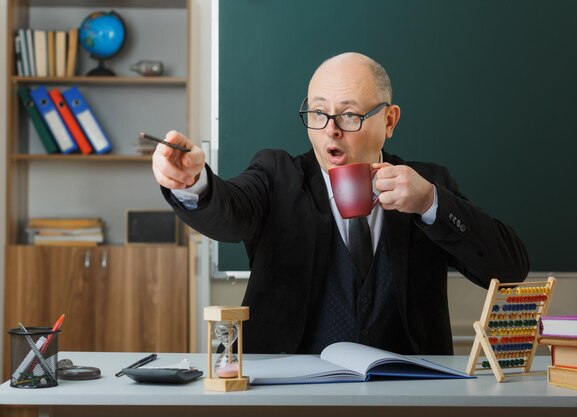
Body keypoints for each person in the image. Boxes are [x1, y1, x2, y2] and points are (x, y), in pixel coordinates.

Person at [152, 52, 529, 355]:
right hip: (291, 390)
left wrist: (431, 202)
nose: (331, 128)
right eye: (318, 112)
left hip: (406, 393)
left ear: (390, 120)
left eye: (349, 114)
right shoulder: (276, 175)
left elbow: (510, 269)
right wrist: (194, 184)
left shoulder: (428, 185)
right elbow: (230, 214)